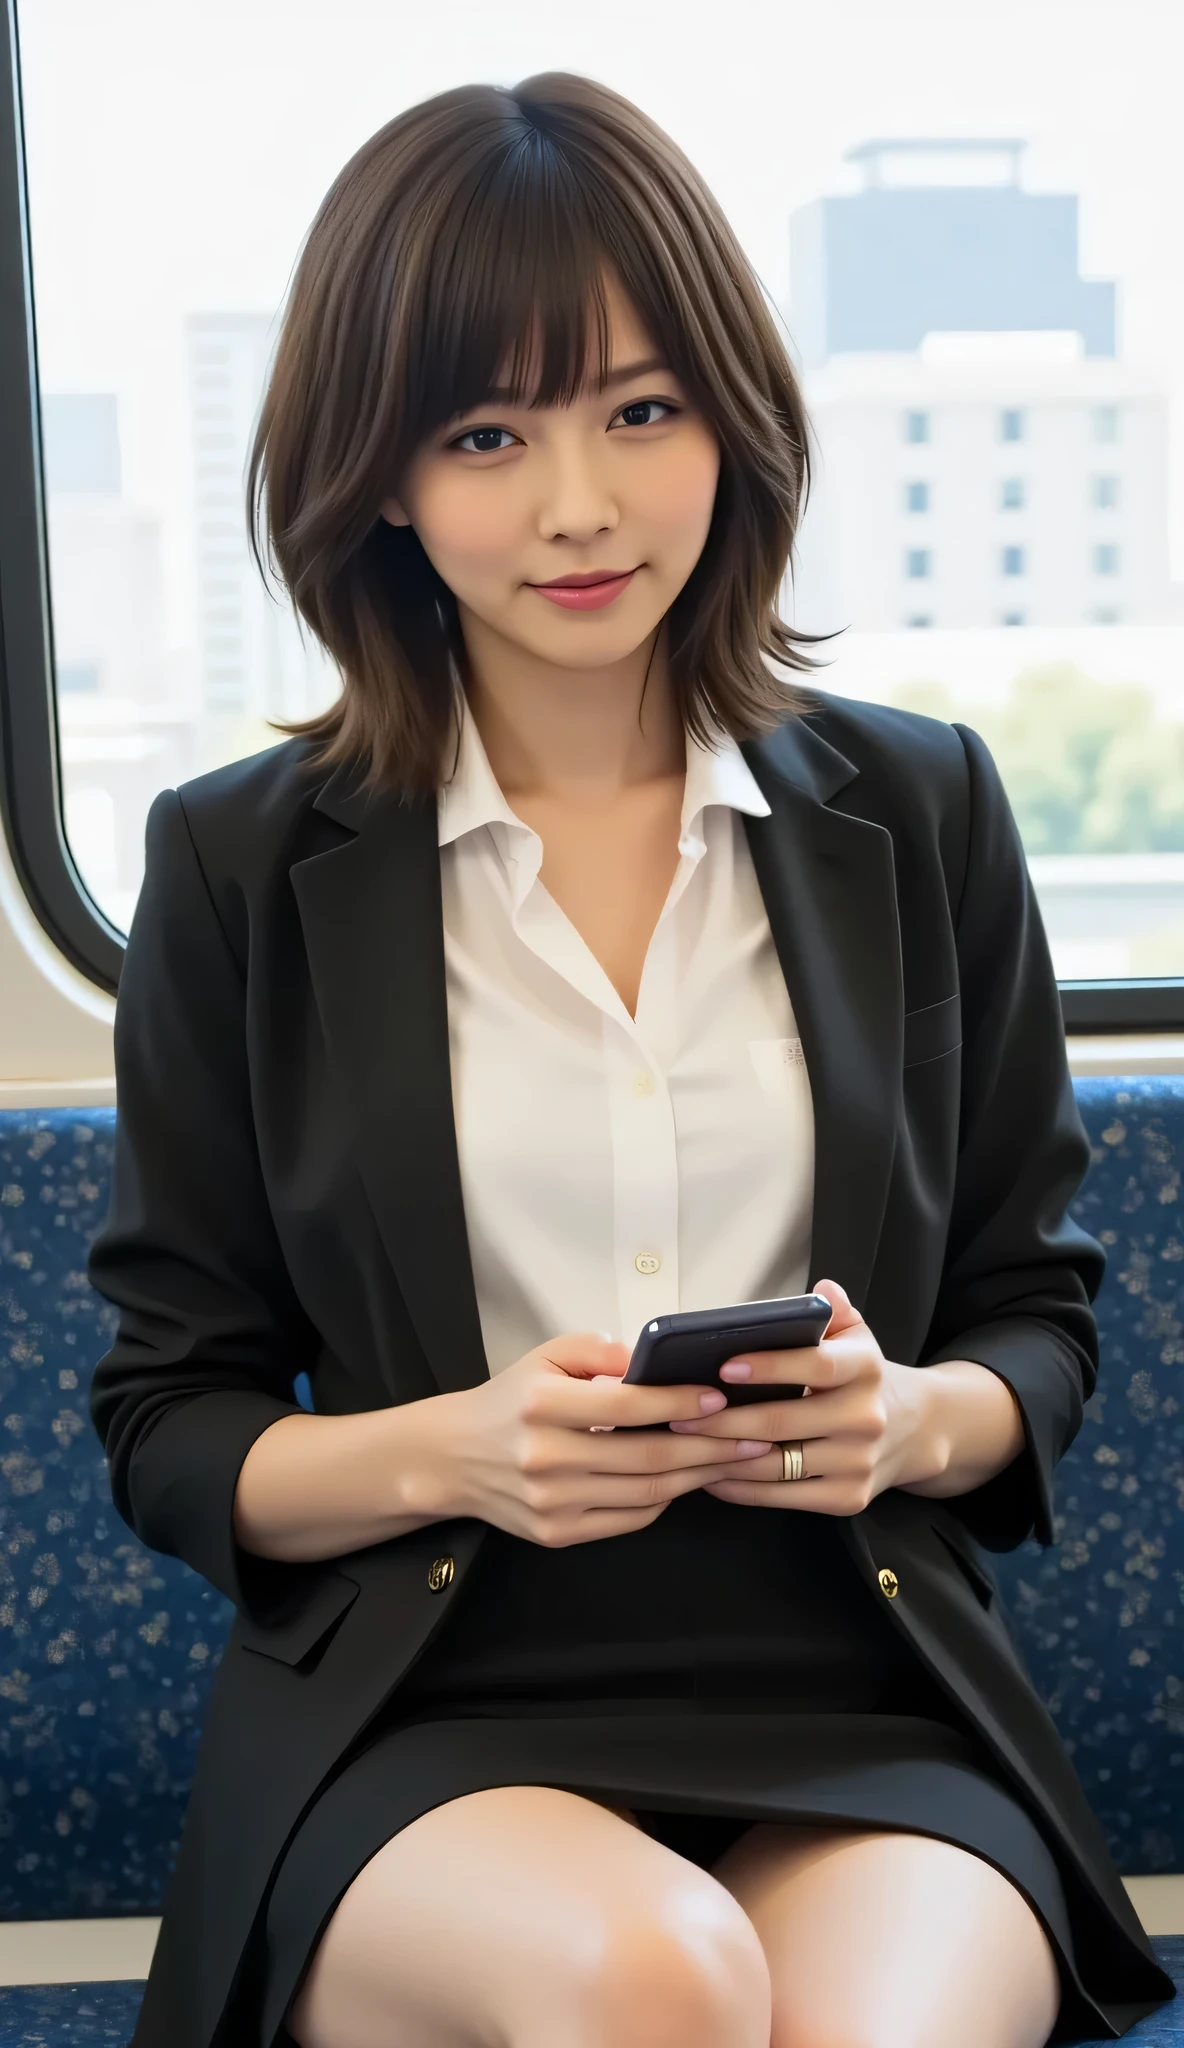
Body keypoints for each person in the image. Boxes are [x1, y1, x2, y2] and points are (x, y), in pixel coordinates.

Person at [87, 71, 1174, 2048]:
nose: (578, 505)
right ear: (384, 480)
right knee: (660, 1980)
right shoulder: (240, 867)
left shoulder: (922, 811)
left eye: (640, 410)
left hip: (867, 1685)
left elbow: (1038, 1324)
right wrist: (461, 1451)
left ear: (730, 426)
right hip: (423, 1713)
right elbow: (172, 1422)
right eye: (486, 434)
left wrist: (903, 1422)